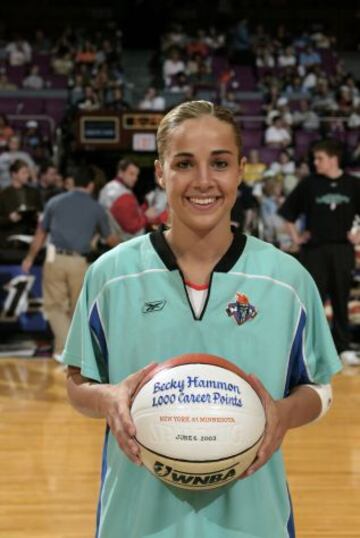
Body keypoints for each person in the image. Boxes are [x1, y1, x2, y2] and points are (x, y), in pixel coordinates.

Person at [63, 101, 341, 538]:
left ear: (240, 171)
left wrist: (284, 412)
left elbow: (320, 390)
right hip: (136, 523)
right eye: (185, 163)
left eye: (221, 163)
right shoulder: (111, 275)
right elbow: (77, 381)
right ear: (160, 172)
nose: (205, 181)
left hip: (255, 523)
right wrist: (107, 399)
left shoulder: (288, 279)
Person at [21, 165, 118, 361]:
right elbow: (110, 240)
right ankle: (71, 353)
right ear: (90, 185)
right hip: (79, 262)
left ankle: (62, 349)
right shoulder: (97, 208)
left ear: (72, 183)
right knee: (79, 309)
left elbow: (41, 233)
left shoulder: (54, 202)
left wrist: (30, 257)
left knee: (54, 307)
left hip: (54, 258)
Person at [279, 139, 360, 366]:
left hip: (342, 250)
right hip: (314, 251)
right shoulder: (309, 184)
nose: (315, 163)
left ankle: (343, 348)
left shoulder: (353, 184)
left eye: (319, 158)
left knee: (341, 299)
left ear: (333, 159)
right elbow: (287, 213)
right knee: (312, 301)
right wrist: (296, 237)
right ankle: (309, 349)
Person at [0, 159, 42, 249]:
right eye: (24, 173)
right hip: (10, 237)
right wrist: (10, 218)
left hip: (31, 235)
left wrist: (38, 216)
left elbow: (40, 212)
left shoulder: (34, 192)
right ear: (14, 174)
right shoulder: (3, 195)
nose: (27, 175)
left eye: (28, 172)